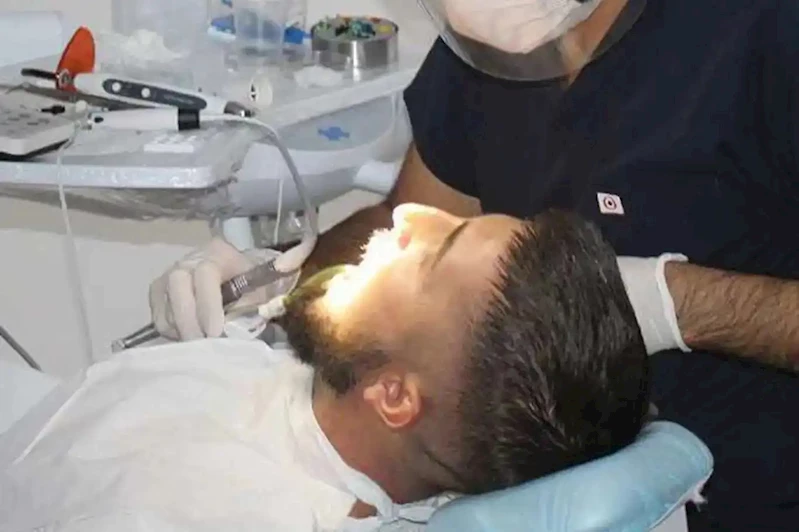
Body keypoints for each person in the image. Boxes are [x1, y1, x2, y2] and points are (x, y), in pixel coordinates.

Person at [150, 0, 799, 529]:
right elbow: (402, 216)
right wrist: (279, 275)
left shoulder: (760, 32)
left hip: (749, 490)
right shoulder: (494, 37)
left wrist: (673, 302)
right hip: (526, 486)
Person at [1, 208, 649, 531]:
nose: (408, 216)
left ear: (393, 396)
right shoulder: (324, 396)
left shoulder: (235, 509)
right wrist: (241, 325)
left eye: (431, 251)